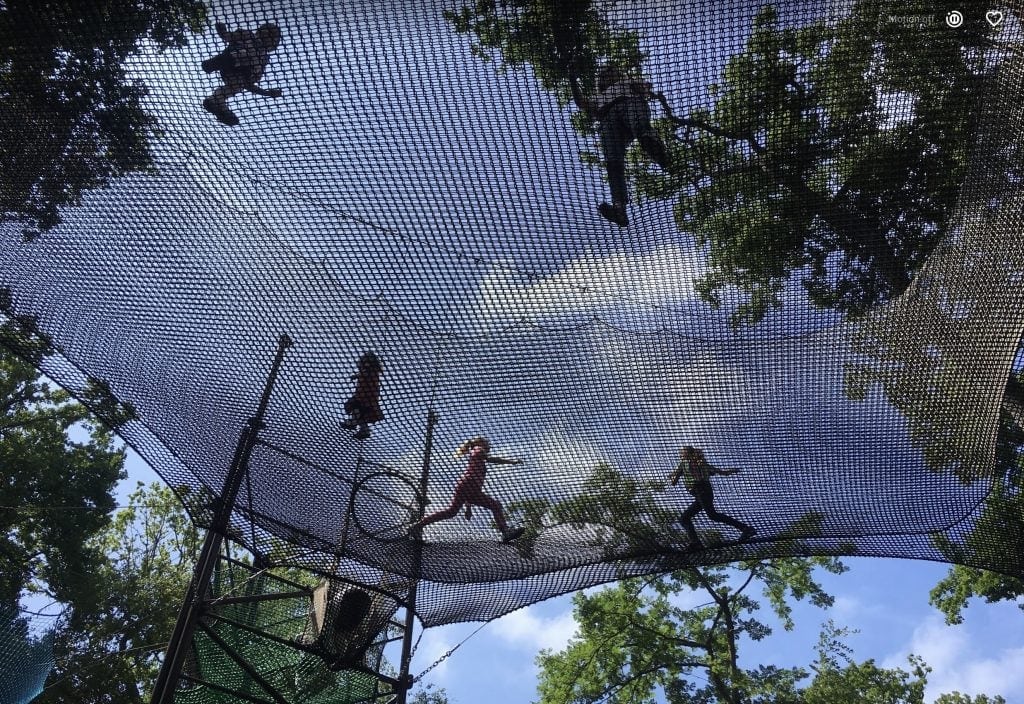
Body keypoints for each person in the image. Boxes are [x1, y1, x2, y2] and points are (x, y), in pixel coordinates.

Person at [571, 65, 671, 228]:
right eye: (603, 75)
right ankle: (619, 209)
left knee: (638, 122)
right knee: (613, 162)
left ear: (618, 73)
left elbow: (645, 88)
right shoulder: (599, 96)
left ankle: (654, 147)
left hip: (628, 105)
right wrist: (573, 81)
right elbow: (582, 103)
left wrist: (639, 87)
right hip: (608, 120)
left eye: (610, 71)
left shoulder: (626, 83)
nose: (606, 75)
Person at [408, 437, 525, 543]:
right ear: (479, 443)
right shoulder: (478, 449)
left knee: (452, 512)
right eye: (487, 442)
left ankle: (417, 526)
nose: (489, 444)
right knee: (495, 505)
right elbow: (491, 459)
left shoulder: (477, 454)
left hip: (469, 488)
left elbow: (470, 489)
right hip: (469, 484)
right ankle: (505, 531)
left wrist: (468, 507)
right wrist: (511, 461)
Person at [670, 446, 755, 549]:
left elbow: (674, 482)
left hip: (702, 490)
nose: (680, 455)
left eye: (682, 453)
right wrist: (674, 476)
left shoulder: (693, 463)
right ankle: (696, 542)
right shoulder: (689, 464)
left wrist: (674, 476)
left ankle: (746, 529)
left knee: (712, 515)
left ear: (687, 454)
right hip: (701, 493)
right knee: (684, 518)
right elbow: (722, 472)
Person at [202, 21, 283, 126]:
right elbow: (228, 37)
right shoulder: (248, 35)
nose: (269, 38)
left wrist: (267, 93)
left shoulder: (264, 59)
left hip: (239, 75)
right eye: (268, 33)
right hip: (231, 58)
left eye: (272, 37)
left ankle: (216, 102)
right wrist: (222, 30)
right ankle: (222, 62)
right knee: (246, 59)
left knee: (237, 86)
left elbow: (250, 83)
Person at [342, 352, 383, 440]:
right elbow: (364, 373)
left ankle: (353, 423)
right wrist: (356, 376)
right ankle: (364, 430)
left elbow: (367, 373)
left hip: (366, 395)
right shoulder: (366, 370)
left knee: (357, 407)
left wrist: (357, 375)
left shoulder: (371, 370)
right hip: (363, 394)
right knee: (362, 414)